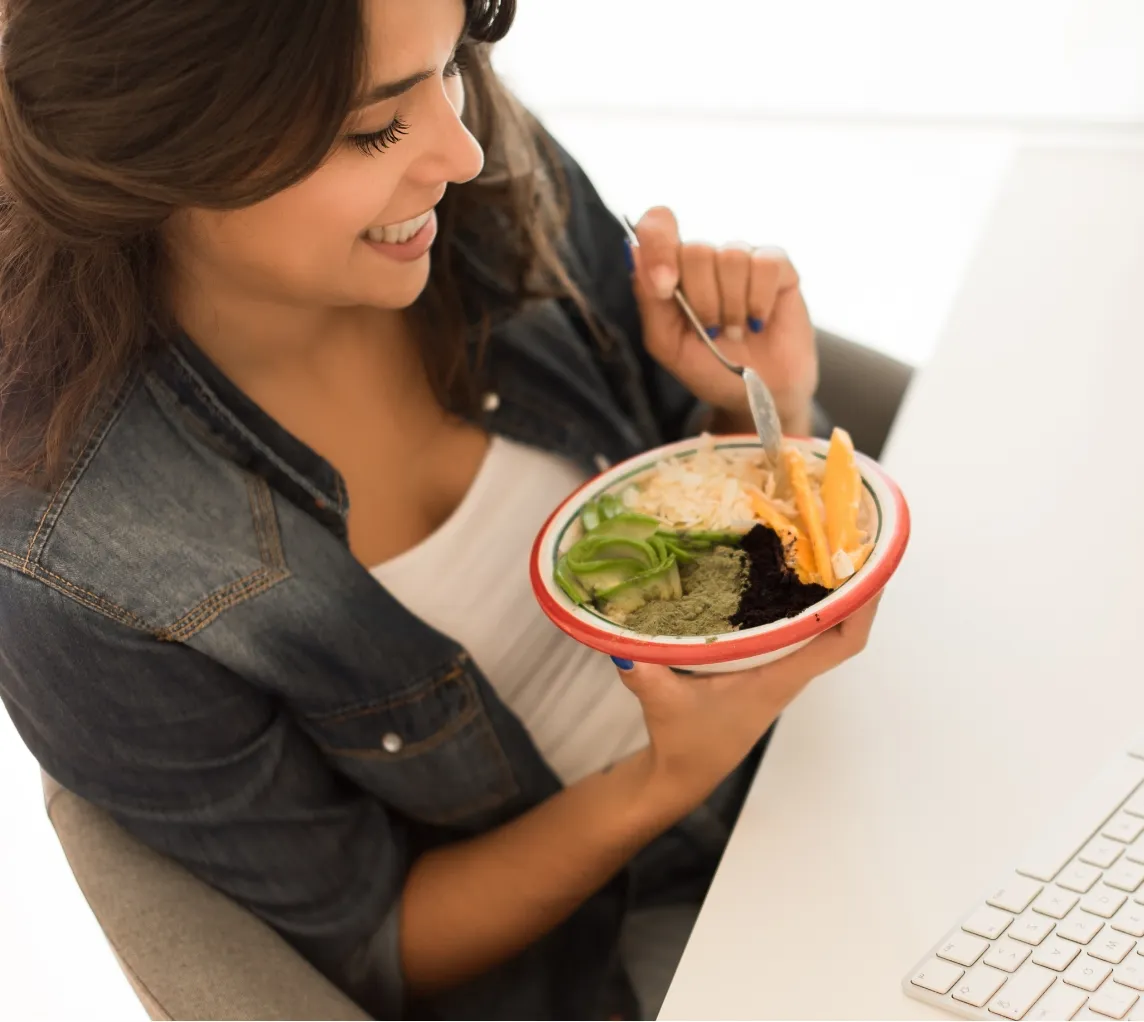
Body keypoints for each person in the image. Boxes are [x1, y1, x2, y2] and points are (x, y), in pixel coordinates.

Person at [0, 0, 880, 1018]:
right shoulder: (72, 560)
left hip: (825, 756)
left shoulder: (486, 175)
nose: (462, 152)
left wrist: (753, 407)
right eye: (376, 127)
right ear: (161, 151)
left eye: (452, 61)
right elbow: (372, 942)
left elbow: (716, 540)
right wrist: (663, 777)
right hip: (636, 947)